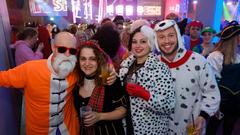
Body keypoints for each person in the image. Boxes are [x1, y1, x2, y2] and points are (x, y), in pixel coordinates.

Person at [0, 32, 116, 135]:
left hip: (68, 129)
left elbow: (96, 66)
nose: (66, 55)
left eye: (72, 51)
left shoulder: (75, 71)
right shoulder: (30, 69)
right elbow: (2, 78)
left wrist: (111, 70)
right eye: (61, 49)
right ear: (52, 47)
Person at [154, 20, 220, 135]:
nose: (166, 41)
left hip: (191, 130)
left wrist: (203, 116)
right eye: (161, 37)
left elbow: (212, 93)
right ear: (156, 40)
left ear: (179, 37)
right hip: (160, 129)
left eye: (171, 35)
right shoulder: (153, 64)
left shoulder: (198, 61)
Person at [119, 25, 175, 134]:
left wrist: (144, 94)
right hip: (127, 124)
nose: (138, 46)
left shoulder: (160, 68)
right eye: (134, 42)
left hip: (150, 129)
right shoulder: (125, 65)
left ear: (151, 43)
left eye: (143, 41)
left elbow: (169, 105)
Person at [73, 41, 128, 135]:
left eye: (92, 59)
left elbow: (123, 110)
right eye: (83, 59)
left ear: (99, 60)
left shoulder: (109, 80)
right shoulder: (74, 82)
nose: (87, 63)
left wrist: (100, 116)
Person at [206, 23, 240, 135]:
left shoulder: (238, 56)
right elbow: (212, 81)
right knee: (213, 128)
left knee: (229, 129)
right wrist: (215, 103)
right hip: (221, 100)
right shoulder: (215, 56)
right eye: (238, 36)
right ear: (233, 39)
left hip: (235, 101)